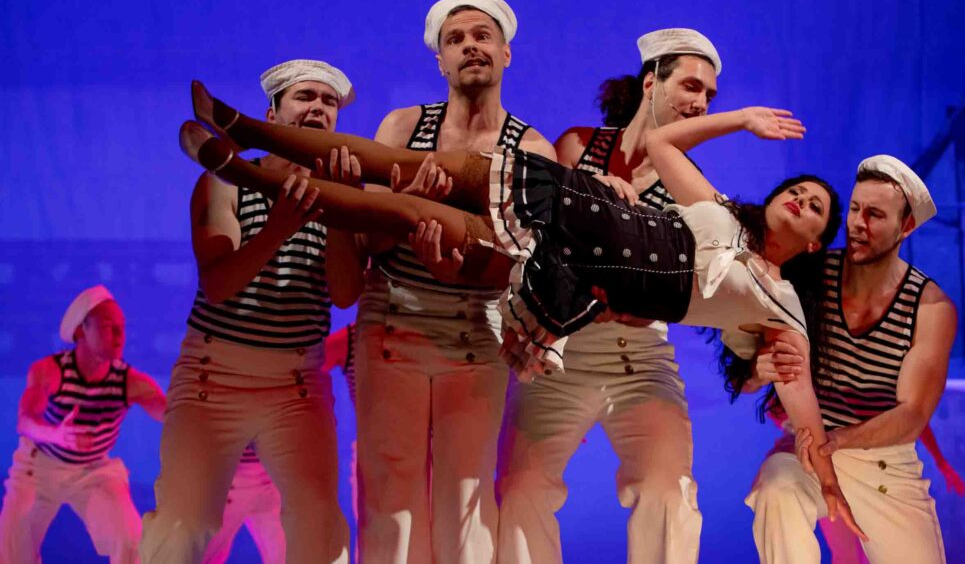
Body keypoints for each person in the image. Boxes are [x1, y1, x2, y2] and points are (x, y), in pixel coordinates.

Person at [179, 76, 864, 530]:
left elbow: (801, 402)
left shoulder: (780, 304)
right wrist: (742, 119)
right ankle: (247, 134)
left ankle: (250, 174)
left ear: (814, 242)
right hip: (576, 202)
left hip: (572, 267)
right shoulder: (720, 212)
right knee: (410, 171)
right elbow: (660, 141)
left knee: (407, 211)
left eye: (815, 207)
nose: (800, 199)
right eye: (797, 190)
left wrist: (827, 473)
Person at [495, 28, 720, 563]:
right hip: (561, 354)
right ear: (651, 83)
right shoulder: (580, 146)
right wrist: (595, 195)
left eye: (710, 96)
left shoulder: (690, 182)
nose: (701, 103)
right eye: (691, 86)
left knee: (669, 490)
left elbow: (688, 280)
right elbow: (547, 239)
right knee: (520, 488)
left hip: (640, 358)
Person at [352, 0, 556, 564]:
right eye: (455, 39)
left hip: (477, 333)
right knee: (390, 495)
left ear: (506, 54)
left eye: (482, 36)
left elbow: (525, 266)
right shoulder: (403, 126)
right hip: (393, 323)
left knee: (466, 496)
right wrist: (407, 209)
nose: (470, 46)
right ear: (440, 60)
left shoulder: (532, 150)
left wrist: (456, 264)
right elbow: (367, 241)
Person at [141, 60, 362, 564]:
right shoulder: (227, 182)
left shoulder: (340, 193)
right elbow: (219, 285)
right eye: (305, 96)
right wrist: (279, 226)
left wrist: (340, 210)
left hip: (296, 384)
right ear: (271, 115)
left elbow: (345, 293)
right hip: (213, 379)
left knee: (319, 524)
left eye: (329, 102)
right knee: (183, 523)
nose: (319, 108)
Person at [742, 155, 957, 563]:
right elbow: (748, 374)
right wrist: (757, 371)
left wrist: (838, 441)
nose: (858, 223)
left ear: (906, 226)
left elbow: (912, 416)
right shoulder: (810, 275)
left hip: (883, 463)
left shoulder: (930, 307)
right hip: (807, 448)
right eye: (856, 209)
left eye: (875, 214)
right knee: (777, 489)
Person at [0, 285, 166, 563]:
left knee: (131, 539)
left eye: (122, 327)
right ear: (81, 331)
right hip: (39, 467)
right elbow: (25, 422)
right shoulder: (50, 370)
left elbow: (170, 415)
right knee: (12, 550)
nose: (119, 335)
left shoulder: (129, 382)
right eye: (108, 326)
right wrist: (57, 435)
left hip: (93, 469)